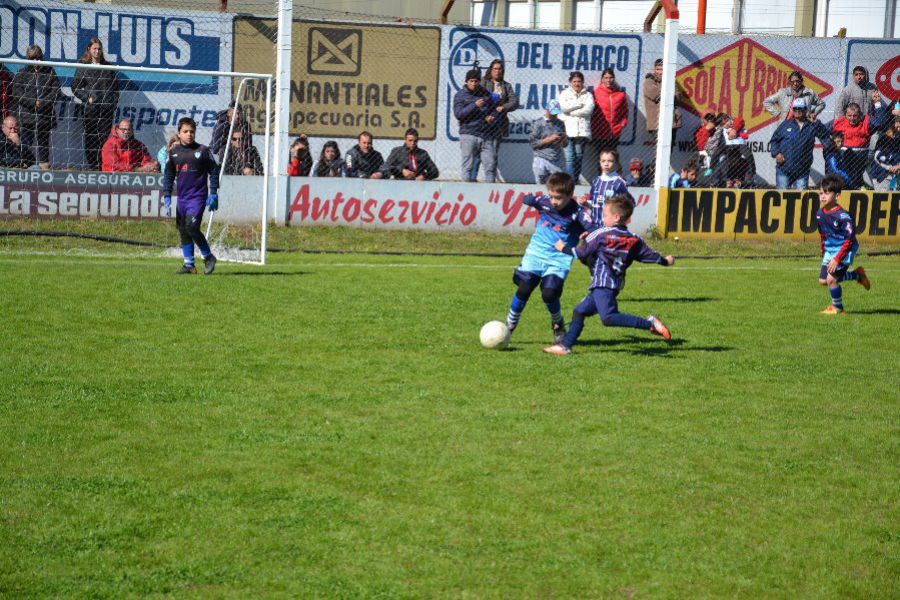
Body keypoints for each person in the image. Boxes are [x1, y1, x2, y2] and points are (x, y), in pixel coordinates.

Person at [543, 193, 675, 356]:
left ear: (617, 217)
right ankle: (565, 345)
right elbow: (652, 256)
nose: (603, 219)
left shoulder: (601, 234)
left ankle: (650, 324)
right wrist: (666, 261)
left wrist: (563, 247)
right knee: (580, 311)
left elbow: (581, 254)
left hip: (603, 284)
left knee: (609, 318)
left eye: (605, 215)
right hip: (613, 285)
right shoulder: (634, 239)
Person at [504, 171, 593, 344]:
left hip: (558, 258)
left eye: (559, 198)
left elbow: (593, 228)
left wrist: (587, 234)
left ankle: (558, 323)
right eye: (552, 196)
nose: (554, 202)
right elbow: (529, 200)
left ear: (570, 195)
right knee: (524, 287)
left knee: (549, 293)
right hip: (536, 253)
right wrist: (527, 198)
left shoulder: (578, 213)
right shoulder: (544, 202)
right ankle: (510, 324)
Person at [162, 117, 220, 275]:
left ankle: (208, 257)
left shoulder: (202, 151)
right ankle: (189, 265)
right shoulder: (173, 153)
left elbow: (214, 171)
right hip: (182, 199)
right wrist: (167, 194)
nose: (189, 134)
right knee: (183, 230)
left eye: (192, 131)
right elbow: (168, 175)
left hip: (198, 197)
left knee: (192, 227)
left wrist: (214, 193)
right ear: (179, 133)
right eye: (185, 131)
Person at [816, 174, 871, 315]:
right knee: (823, 280)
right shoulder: (820, 214)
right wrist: (824, 250)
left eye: (827, 193)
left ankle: (838, 308)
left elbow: (849, 239)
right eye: (821, 193)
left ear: (837, 196)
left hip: (844, 249)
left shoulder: (843, 217)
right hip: (830, 250)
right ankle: (857, 275)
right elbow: (823, 234)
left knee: (831, 280)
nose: (823, 196)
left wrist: (837, 258)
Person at [9, 45, 60, 170]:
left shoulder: (49, 71)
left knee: (43, 143)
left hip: (44, 115)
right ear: (28, 58)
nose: (36, 61)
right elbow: (16, 93)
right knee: (25, 142)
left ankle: (44, 167)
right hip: (27, 116)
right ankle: (24, 163)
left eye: (38, 58)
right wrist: (33, 103)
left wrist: (42, 102)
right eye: (33, 58)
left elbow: (56, 91)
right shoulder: (22, 73)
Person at [71, 38, 119, 171]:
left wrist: (112, 103)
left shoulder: (108, 67)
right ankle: (93, 167)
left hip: (106, 109)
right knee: (91, 138)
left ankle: (103, 166)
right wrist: (87, 97)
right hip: (91, 110)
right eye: (94, 49)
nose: (97, 51)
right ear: (89, 49)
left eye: (99, 49)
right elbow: (75, 87)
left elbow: (115, 89)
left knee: (104, 139)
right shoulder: (83, 65)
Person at [769, 98, 832, 189]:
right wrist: (776, 153)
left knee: (801, 200)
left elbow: (825, 135)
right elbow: (774, 140)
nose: (797, 111)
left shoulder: (812, 125)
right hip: (784, 169)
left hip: (802, 171)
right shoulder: (786, 124)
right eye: (795, 108)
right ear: (792, 110)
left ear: (805, 109)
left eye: (800, 108)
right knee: (781, 198)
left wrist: (816, 123)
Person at [829, 95, 889, 189]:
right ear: (845, 115)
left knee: (854, 180)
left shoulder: (866, 121)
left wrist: (877, 103)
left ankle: (857, 187)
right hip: (843, 156)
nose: (852, 118)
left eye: (855, 116)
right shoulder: (839, 122)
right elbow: (824, 132)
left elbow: (881, 121)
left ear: (860, 115)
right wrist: (833, 144)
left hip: (860, 158)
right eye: (849, 115)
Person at [453, 68, 495, 183]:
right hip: (468, 133)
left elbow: (493, 110)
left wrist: (491, 116)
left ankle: (490, 194)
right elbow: (459, 114)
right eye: (471, 81)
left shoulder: (485, 94)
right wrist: (474, 105)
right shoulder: (460, 95)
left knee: (490, 166)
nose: (474, 84)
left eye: (476, 81)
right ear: (466, 81)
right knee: (468, 166)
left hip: (486, 134)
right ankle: (465, 193)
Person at [480, 58, 519, 177]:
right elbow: (476, 100)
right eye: (495, 69)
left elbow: (514, 101)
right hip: (482, 123)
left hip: (498, 124)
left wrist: (503, 107)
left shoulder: (506, 86)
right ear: (491, 70)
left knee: (493, 152)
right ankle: (471, 180)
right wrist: (486, 114)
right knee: (477, 153)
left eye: (499, 69)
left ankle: (490, 178)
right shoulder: (483, 83)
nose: (497, 71)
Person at [557, 71, 595, 182]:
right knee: (570, 159)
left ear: (583, 82)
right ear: (570, 82)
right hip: (567, 131)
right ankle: (570, 183)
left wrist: (571, 112)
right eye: (574, 81)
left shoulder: (588, 95)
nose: (577, 84)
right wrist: (579, 105)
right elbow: (563, 108)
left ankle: (575, 181)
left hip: (581, 132)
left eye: (579, 81)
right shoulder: (564, 93)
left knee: (578, 158)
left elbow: (588, 110)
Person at [585, 149, 631, 227]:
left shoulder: (620, 182)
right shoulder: (596, 181)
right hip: (594, 225)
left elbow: (626, 204)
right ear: (600, 162)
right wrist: (585, 203)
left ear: (616, 163)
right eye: (603, 161)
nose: (606, 164)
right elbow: (593, 202)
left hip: (611, 226)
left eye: (610, 161)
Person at [643, 59, 683, 145]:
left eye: (663, 69)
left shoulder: (672, 81)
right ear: (654, 70)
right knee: (659, 149)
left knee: (669, 148)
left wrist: (666, 95)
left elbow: (678, 98)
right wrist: (669, 93)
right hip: (657, 121)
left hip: (672, 122)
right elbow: (654, 94)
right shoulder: (649, 80)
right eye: (658, 69)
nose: (660, 72)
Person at [529, 99, 568, 184]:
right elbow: (533, 143)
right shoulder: (538, 123)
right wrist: (549, 139)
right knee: (540, 186)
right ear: (547, 110)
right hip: (541, 158)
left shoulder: (560, 123)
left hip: (556, 159)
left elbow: (565, 145)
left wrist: (563, 139)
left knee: (558, 186)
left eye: (556, 112)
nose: (555, 114)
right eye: (553, 112)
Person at [591, 68, 627, 152]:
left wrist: (622, 124)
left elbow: (625, 111)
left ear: (614, 79)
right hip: (599, 133)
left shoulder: (620, 94)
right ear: (602, 79)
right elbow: (591, 112)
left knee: (612, 157)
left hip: (614, 132)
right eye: (606, 78)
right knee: (601, 158)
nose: (608, 80)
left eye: (610, 77)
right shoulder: (596, 93)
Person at [716, 117, 756, 188]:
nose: (733, 161)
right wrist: (726, 183)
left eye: (736, 158)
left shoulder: (745, 164)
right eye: (731, 158)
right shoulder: (723, 164)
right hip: (725, 192)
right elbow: (717, 182)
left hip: (741, 191)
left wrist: (741, 183)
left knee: (738, 185)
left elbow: (750, 182)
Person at [869, 116, 900, 190]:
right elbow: (878, 157)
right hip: (883, 175)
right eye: (897, 127)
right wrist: (891, 168)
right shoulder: (885, 139)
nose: (899, 129)